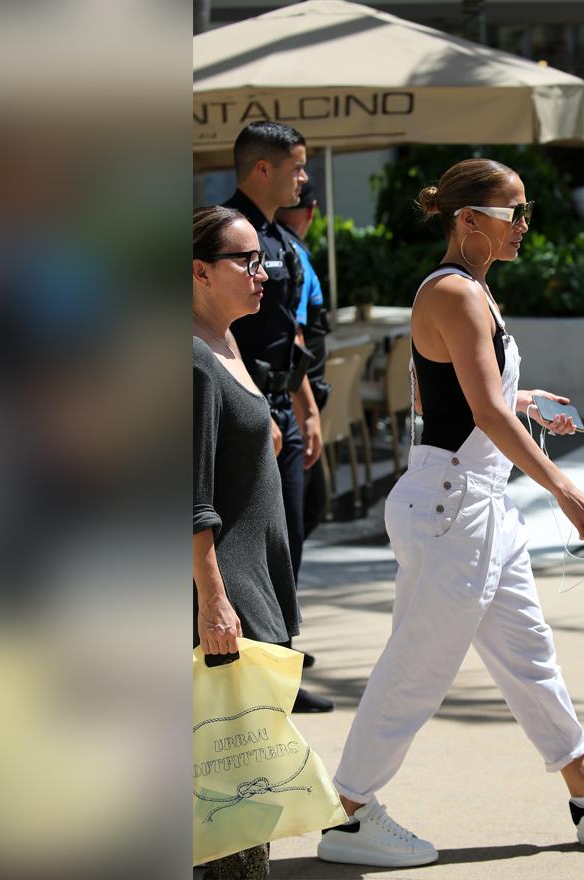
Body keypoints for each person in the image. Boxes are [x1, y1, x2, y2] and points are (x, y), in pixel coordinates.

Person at [317, 158, 584, 868]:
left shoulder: (470, 292)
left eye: (526, 212)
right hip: (452, 507)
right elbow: (483, 411)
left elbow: (458, 398)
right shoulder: (456, 293)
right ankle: (347, 814)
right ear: (468, 220)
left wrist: (527, 404)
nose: (526, 225)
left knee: (528, 656)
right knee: (418, 667)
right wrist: (563, 486)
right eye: (514, 213)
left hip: (473, 505)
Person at [191, 205, 293, 879]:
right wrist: (214, 603)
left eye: (263, 259)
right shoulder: (193, 361)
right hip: (226, 603)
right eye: (245, 260)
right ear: (198, 271)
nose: (264, 273)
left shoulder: (228, 346)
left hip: (254, 587)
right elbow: (188, 496)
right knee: (233, 804)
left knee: (241, 798)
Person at [221, 121, 332, 713]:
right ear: (262, 168)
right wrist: (254, 405)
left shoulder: (277, 237)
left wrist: (307, 406)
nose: (304, 178)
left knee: (289, 538)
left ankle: (279, 671)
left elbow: (288, 332)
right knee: (255, 550)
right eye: (296, 167)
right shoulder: (225, 233)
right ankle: (260, 679)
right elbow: (220, 328)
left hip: (284, 405)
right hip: (251, 409)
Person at [274, 183, 331, 540]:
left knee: (308, 508)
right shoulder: (289, 253)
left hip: (296, 400)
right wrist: (306, 410)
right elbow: (291, 334)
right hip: (293, 403)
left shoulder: (286, 249)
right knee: (304, 511)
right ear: (311, 212)